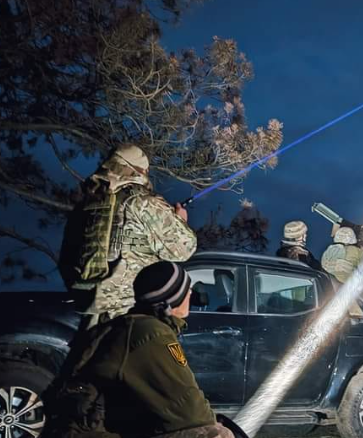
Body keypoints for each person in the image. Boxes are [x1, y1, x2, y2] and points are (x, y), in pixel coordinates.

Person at [43, 262, 236, 438]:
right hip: (89, 432)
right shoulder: (150, 333)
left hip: (77, 428)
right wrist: (215, 423)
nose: (191, 293)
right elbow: (188, 410)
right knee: (215, 434)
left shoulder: (127, 325)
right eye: (187, 289)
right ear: (172, 299)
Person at [59, 144, 197, 329]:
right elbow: (184, 248)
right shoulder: (141, 202)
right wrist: (180, 221)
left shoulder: (84, 206)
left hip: (88, 311)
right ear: (139, 171)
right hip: (129, 314)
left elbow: (65, 260)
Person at [321, 227, 363, 317]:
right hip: (351, 290)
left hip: (330, 290)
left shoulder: (329, 250)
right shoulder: (357, 251)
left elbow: (323, 266)